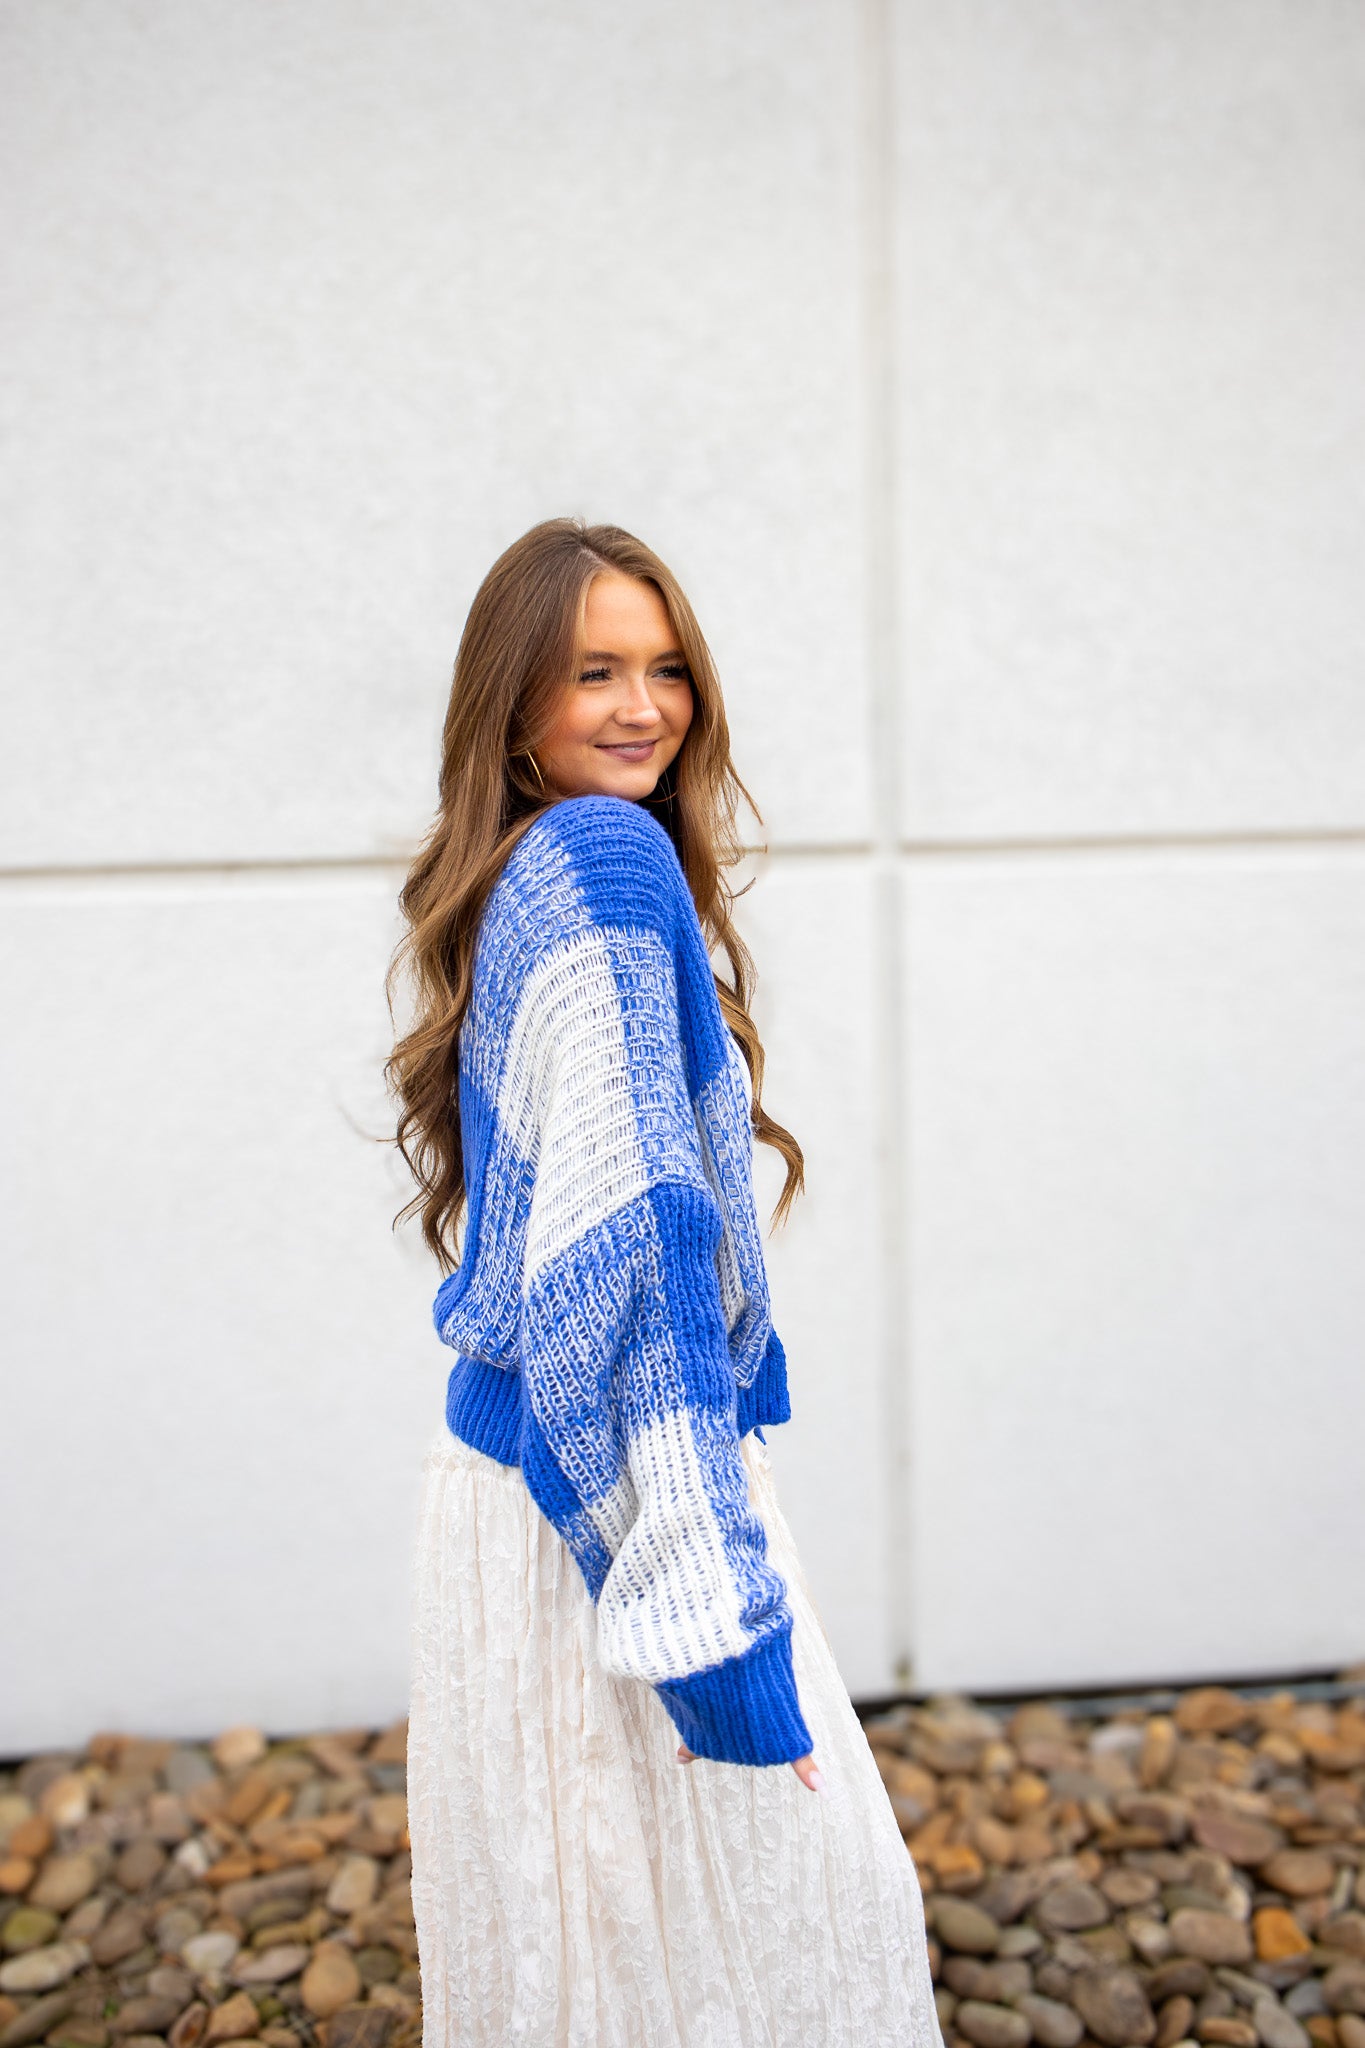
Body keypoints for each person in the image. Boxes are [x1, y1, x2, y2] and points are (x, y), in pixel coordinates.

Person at [386, 518, 943, 2046]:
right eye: (593, 672)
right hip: (613, 1508)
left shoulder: (522, 875)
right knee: (795, 1937)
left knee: (587, 1962)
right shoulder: (609, 862)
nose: (644, 706)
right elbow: (632, 1291)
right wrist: (724, 1654)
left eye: (667, 669)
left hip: (514, 1499)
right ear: (511, 708)